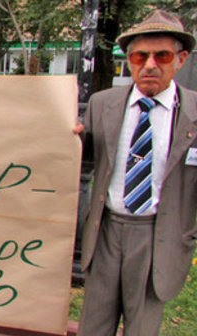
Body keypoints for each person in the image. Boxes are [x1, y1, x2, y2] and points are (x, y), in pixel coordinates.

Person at [74, 9, 197, 336]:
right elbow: (82, 158)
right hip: (106, 233)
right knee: (93, 326)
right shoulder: (103, 104)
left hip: (159, 234)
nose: (150, 65)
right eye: (140, 56)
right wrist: (71, 138)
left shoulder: (194, 114)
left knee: (142, 328)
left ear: (180, 59)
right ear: (129, 60)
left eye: (163, 55)